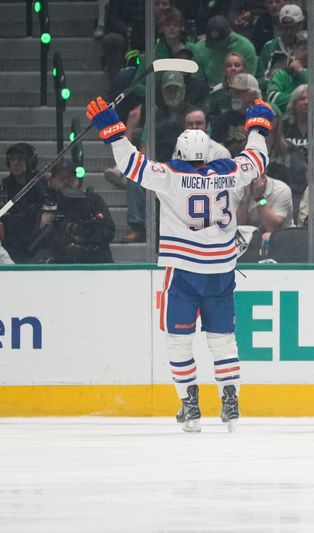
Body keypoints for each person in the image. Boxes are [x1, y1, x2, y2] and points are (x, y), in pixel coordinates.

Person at [86, 93, 275, 432]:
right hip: (220, 271)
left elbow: (131, 164)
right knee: (223, 341)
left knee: (179, 341)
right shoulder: (229, 172)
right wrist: (258, 125)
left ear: (180, 153)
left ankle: (190, 405)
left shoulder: (170, 176)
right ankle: (229, 399)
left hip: (184, 272)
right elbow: (257, 158)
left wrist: (114, 131)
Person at [31, 161, 115, 264]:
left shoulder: (93, 200)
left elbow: (109, 231)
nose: (66, 181)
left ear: (78, 180)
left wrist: (84, 237)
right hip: (59, 263)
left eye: (70, 177)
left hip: (93, 259)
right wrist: (41, 226)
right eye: (61, 178)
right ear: (53, 181)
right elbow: (34, 243)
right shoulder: (48, 205)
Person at [0, 143, 47, 263]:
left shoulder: (40, 185)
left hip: (36, 242)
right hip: (10, 242)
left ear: (30, 162)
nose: (15, 163)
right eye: (12, 159)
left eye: (20, 158)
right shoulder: (5, 187)